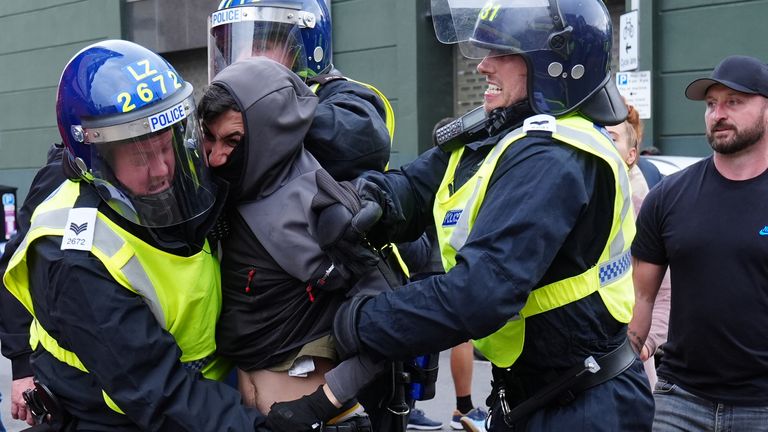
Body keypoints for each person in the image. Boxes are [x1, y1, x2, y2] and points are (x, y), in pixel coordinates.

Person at [312, 0, 654, 430]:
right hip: (534, 394)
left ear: (554, 66)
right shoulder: (506, 129)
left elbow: (480, 294)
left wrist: (359, 321)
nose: (482, 67)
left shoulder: (554, 155)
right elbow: (419, 185)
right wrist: (368, 200)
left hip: (582, 406)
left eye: (503, 53)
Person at [2, 39, 267, 430]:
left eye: (167, 146)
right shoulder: (73, 255)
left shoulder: (171, 193)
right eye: (141, 155)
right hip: (120, 415)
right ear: (98, 156)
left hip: (206, 392)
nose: (161, 169)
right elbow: (159, 392)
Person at [199, 57, 387, 430]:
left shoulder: (320, 203)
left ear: (270, 133)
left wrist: (321, 404)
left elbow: (392, 320)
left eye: (233, 141)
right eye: (209, 137)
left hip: (322, 420)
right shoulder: (224, 194)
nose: (216, 157)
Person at [630, 54, 768, 430]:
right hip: (680, 400)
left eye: (734, 102)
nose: (717, 113)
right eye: (711, 104)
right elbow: (642, 299)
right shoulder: (668, 197)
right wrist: (621, 376)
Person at [207, 0, 392, 182]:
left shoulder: (345, 96)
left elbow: (362, 137)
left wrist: (259, 119)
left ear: (302, 48)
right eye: (231, 48)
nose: (240, 58)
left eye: (258, 47)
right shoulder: (227, 111)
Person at [606, 103, 671, 389]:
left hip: (627, 365)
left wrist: (645, 344)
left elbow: (662, 290)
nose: (602, 143)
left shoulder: (642, 209)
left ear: (631, 155)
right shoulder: (563, 206)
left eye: (613, 138)